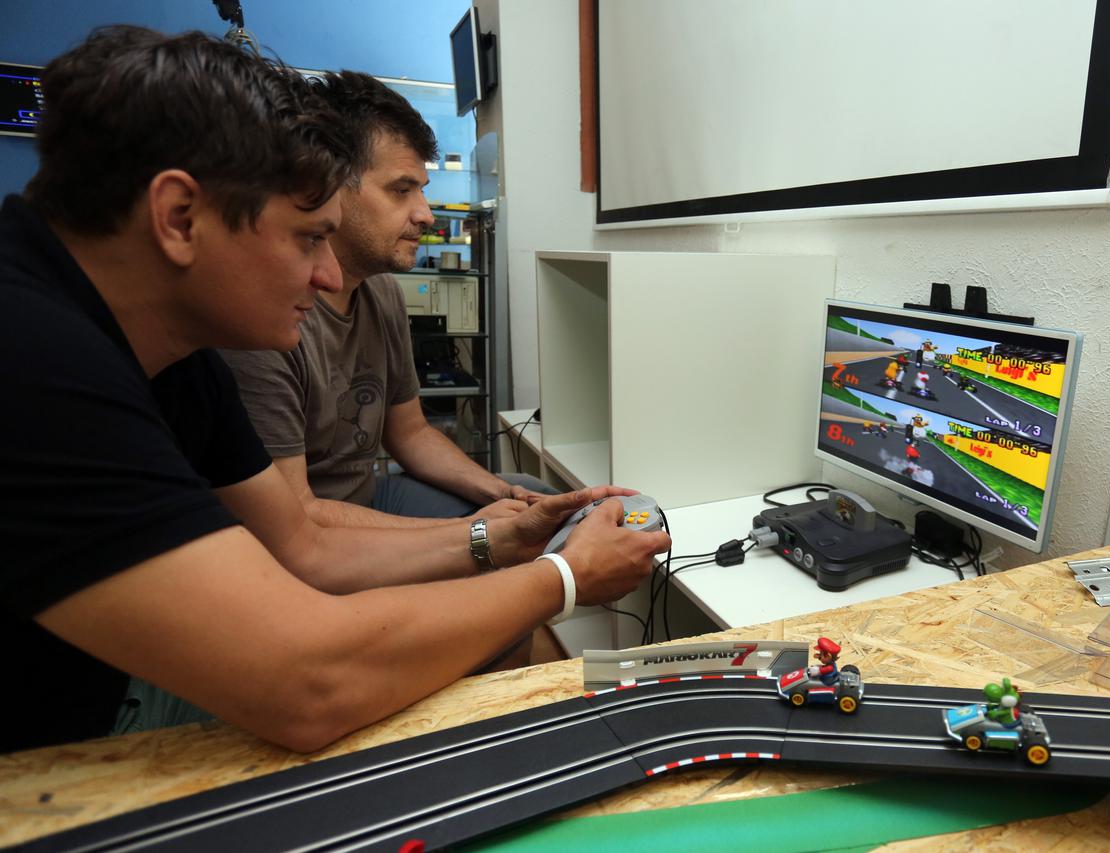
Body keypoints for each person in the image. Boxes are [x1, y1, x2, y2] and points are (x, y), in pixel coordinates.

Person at [0, 26, 669, 755]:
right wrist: (564, 577)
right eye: (307, 239)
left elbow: (304, 542)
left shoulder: (175, 348)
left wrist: (502, 535)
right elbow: (306, 683)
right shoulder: (31, 356)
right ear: (179, 218)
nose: (325, 276)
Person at [222, 71, 552, 527]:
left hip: (370, 499)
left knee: (537, 498)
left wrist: (504, 494)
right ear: (330, 185)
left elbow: (412, 433)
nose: (425, 215)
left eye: (422, 190)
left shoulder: (382, 293)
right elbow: (296, 526)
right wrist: (474, 534)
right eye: (401, 190)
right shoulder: (265, 320)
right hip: (311, 529)